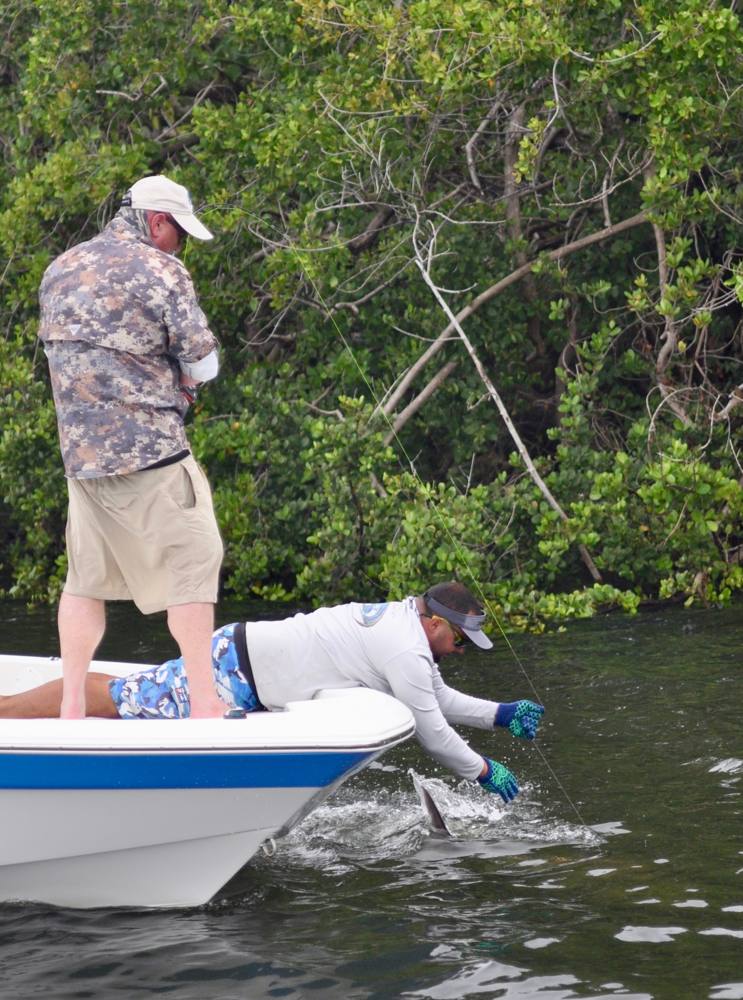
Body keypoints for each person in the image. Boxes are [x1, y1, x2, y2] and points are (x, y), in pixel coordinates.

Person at [0, 582, 544, 802]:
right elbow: (431, 731)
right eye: (459, 637)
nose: (463, 648)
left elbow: (436, 699)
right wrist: (482, 773)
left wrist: (500, 715)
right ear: (433, 624)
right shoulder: (405, 647)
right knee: (116, 699)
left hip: (244, 667)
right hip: (232, 669)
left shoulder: (405, 633)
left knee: (121, 699)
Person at [37, 174, 225, 720]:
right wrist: (184, 381)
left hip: (82, 460)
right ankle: (207, 705)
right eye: (179, 233)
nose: (180, 245)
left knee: (84, 579)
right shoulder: (164, 269)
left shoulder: (60, 267)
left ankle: (71, 704)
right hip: (151, 451)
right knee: (196, 557)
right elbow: (204, 362)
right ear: (158, 222)